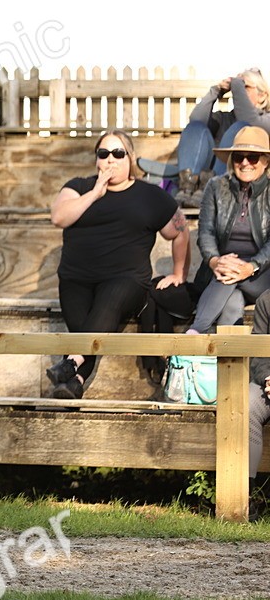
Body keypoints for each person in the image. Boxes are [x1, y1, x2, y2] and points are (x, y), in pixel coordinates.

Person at [46, 131, 190, 399]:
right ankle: (74, 380)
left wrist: (179, 273)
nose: (110, 159)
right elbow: (58, 217)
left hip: (126, 281)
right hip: (76, 279)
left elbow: (180, 230)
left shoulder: (149, 195)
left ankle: (71, 361)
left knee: (109, 301)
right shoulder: (78, 186)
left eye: (118, 153)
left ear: (130, 158)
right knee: (83, 330)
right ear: (96, 159)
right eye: (104, 154)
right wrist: (95, 193)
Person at [139, 69, 270, 204]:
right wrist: (216, 91)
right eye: (237, 87)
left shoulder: (266, 119)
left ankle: (213, 190)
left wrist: (236, 85)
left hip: (231, 183)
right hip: (200, 184)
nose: (238, 91)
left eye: (245, 86)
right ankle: (187, 188)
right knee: (196, 127)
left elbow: (249, 121)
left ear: (262, 96)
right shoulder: (224, 117)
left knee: (240, 128)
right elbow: (196, 119)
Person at [186, 126, 270, 333]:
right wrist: (215, 261)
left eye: (253, 157)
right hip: (220, 269)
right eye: (239, 157)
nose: (244, 163)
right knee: (232, 303)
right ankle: (227, 361)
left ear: (266, 161)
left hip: (263, 272)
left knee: (227, 277)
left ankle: (195, 332)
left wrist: (250, 266)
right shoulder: (216, 187)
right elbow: (205, 233)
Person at [246, 290, 270, 520]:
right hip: (268, 384)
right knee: (247, 407)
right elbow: (258, 353)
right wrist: (268, 378)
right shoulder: (266, 300)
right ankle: (244, 497)